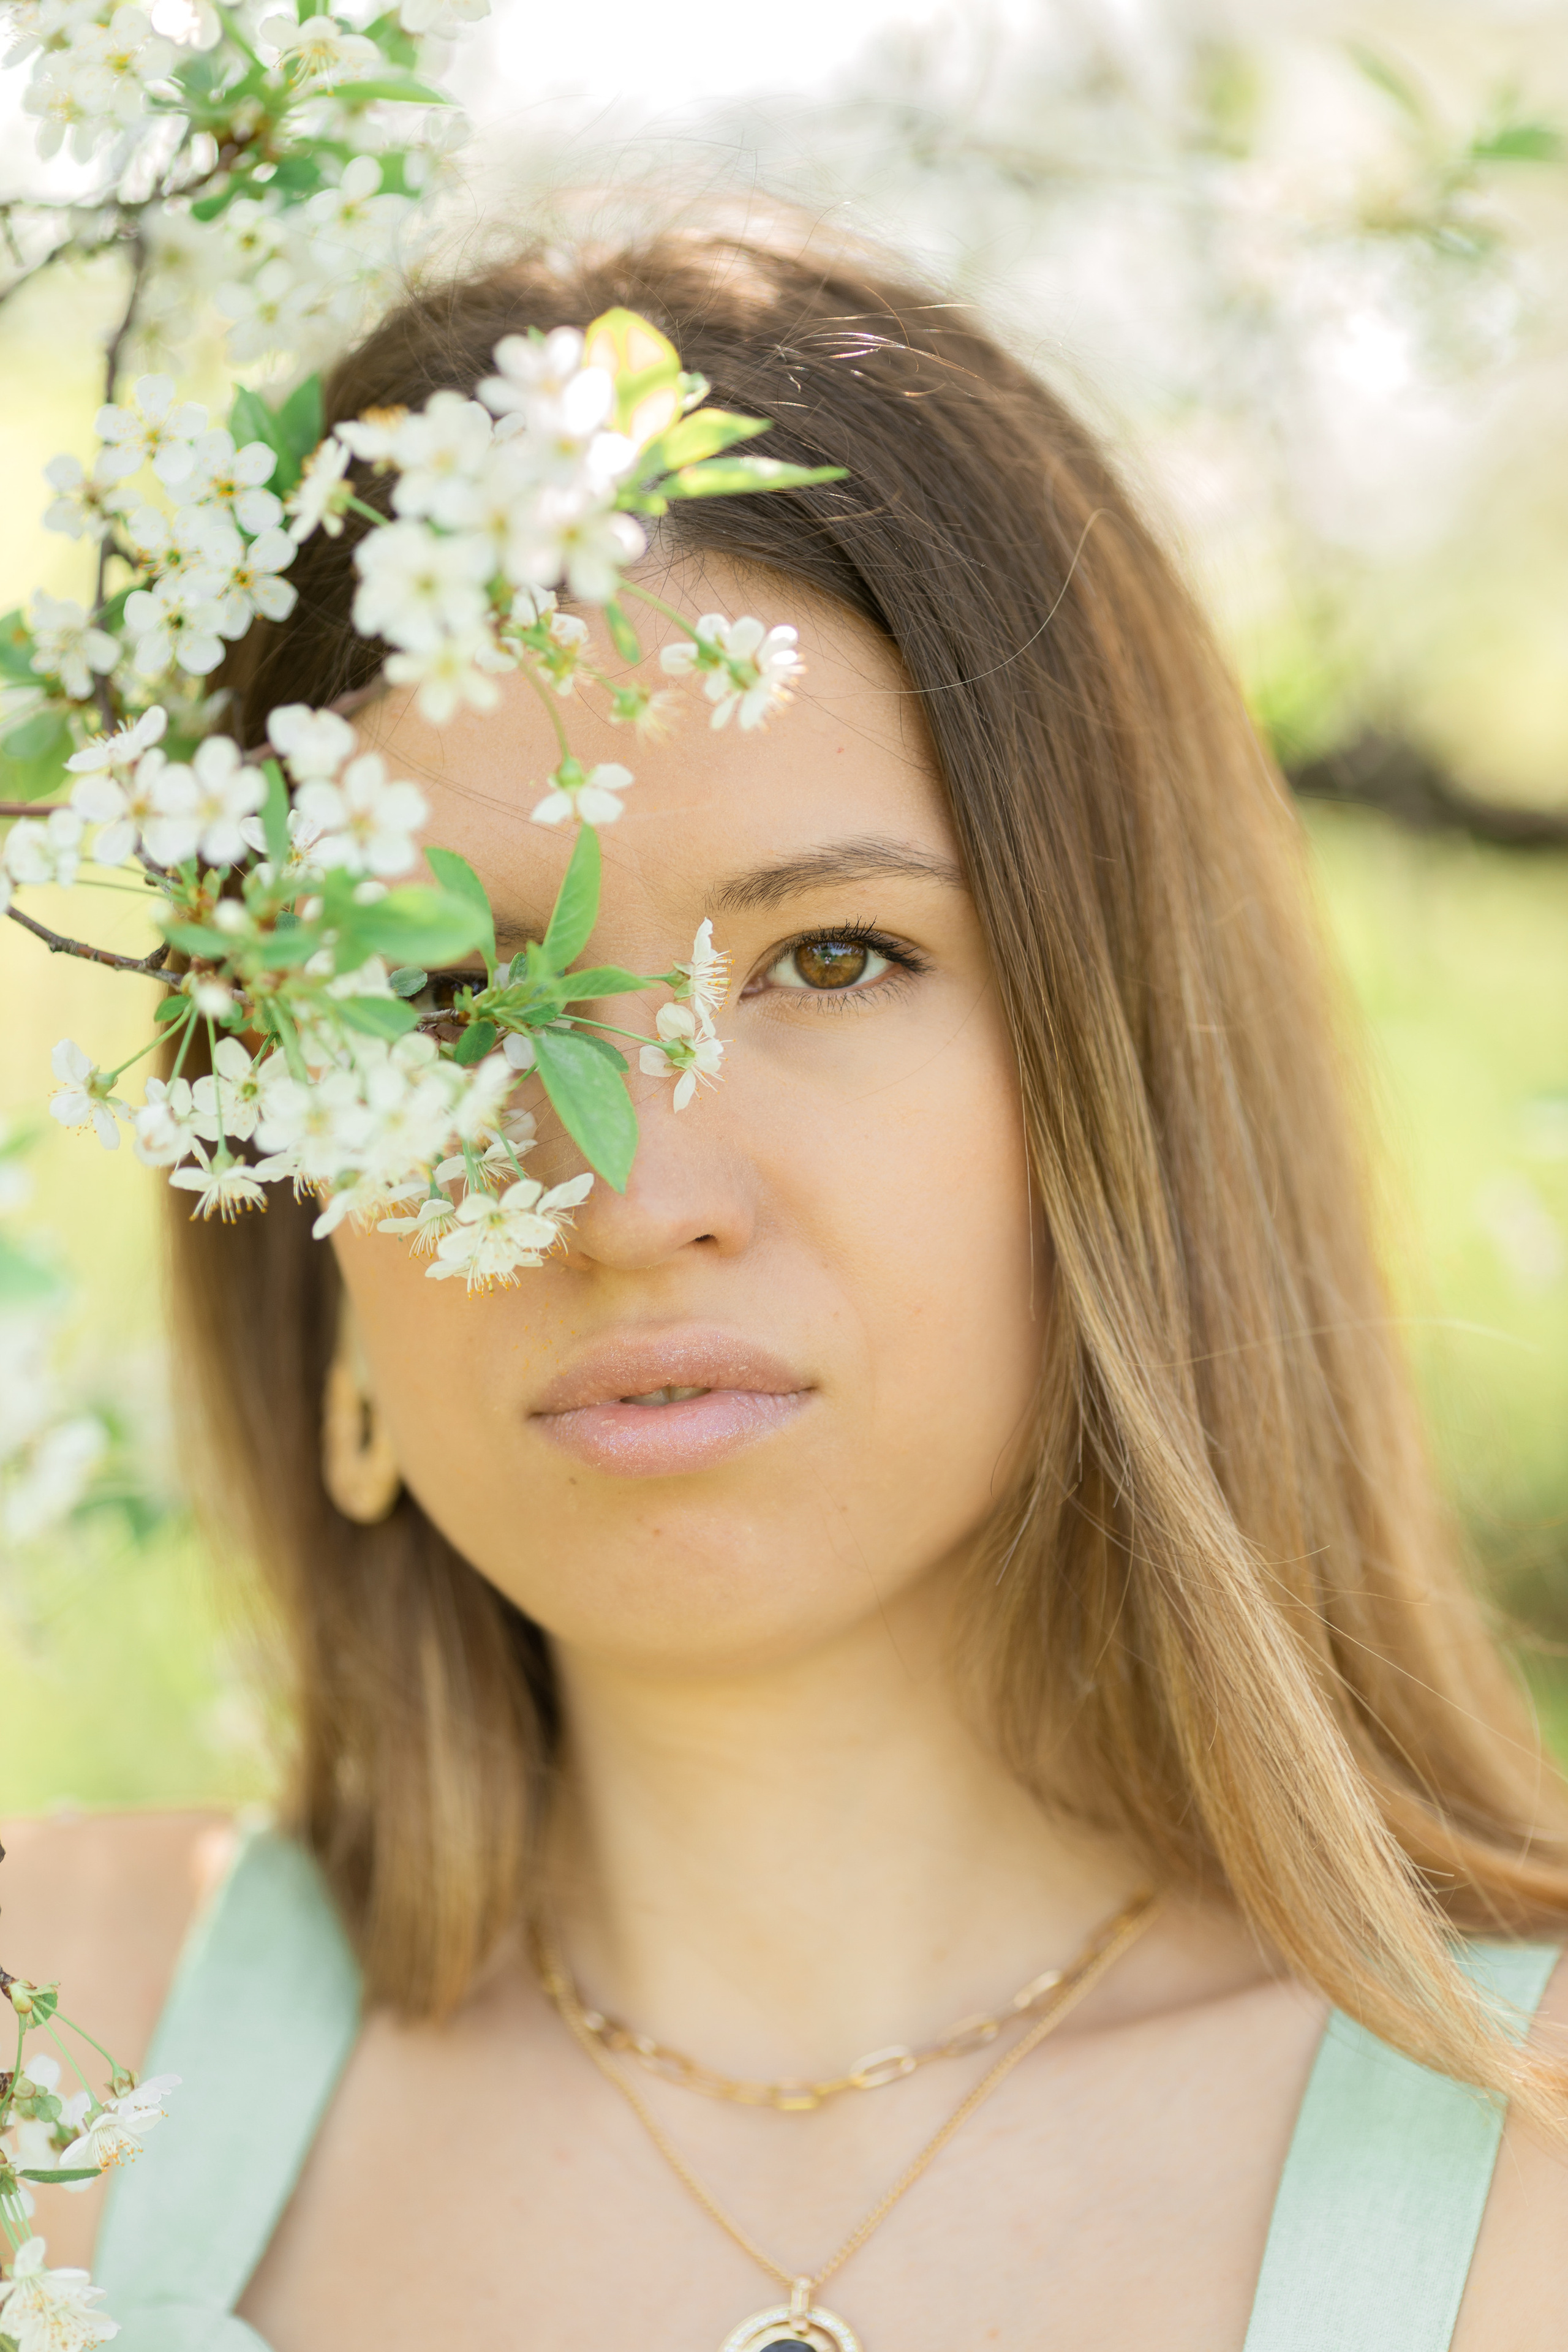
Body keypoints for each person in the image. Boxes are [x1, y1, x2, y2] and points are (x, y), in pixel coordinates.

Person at [5, 227, 1568, 2352]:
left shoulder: (1536, 2172)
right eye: (452, 997)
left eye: (834, 960)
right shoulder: (58, 2068)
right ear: (297, 1217)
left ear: (1128, 1105)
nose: (633, 1193)